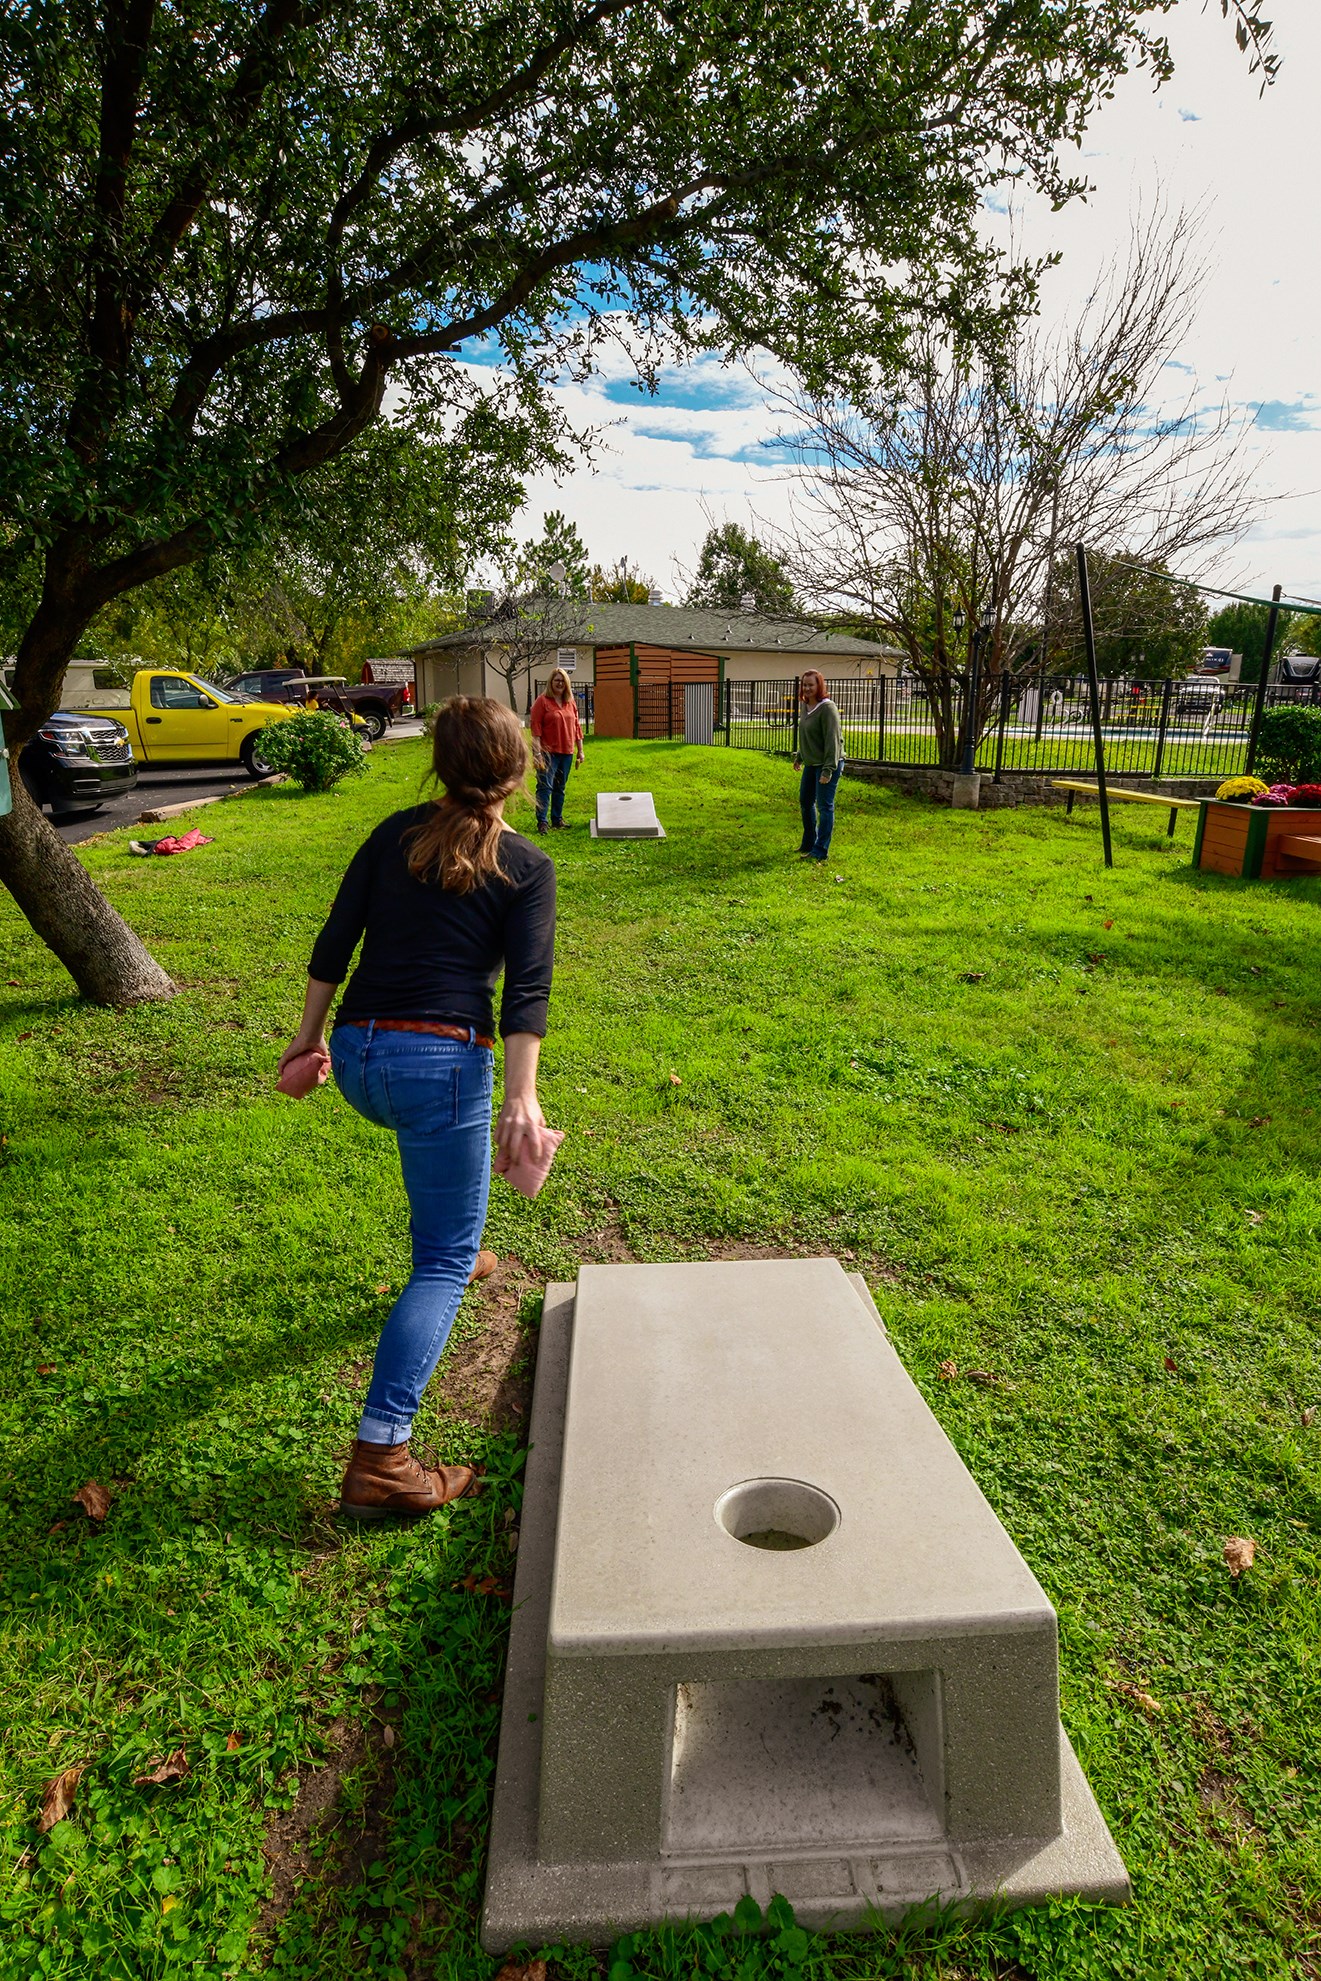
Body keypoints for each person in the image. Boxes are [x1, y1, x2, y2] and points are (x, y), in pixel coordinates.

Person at [278, 697, 556, 1520]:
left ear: (438, 765)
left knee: (444, 1198)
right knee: (437, 1260)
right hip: (438, 1065)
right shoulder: (528, 865)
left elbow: (335, 941)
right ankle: (382, 1456)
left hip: (361, 1059)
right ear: (518, 770)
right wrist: (523, 1095)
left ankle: (458, 1242)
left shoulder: (390, 832)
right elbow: (526, 991)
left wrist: (306, 1042)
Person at [792, 669, 843, 860]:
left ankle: (820, 851)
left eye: (811, 685)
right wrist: (800, 756)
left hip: (828, 764)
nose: (807, 688)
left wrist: (828, 770)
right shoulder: (805, 707)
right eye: (804, 685)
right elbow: (806, 736)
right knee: (805, 802)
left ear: (819, 686)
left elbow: (833, 741)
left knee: (825, 807)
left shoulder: (827, 708)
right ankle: (808, 843)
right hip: (811, 763)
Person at [528, 666, 584, 832]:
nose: (560, 683)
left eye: (563, 681)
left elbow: (576, 728)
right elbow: (536, 730)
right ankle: (542, 821)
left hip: (566, 752)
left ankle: (557, 819)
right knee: (545, 787)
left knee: (560, 788)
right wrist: (537, 754)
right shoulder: (542, 701)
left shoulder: (570, 703)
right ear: (551, 682)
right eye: (557, 680)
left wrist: (580, 750)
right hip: (547, 753)